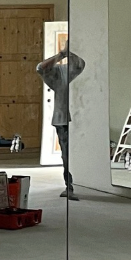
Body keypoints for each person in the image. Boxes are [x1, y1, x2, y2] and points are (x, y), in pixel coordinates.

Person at [36, 46, 86, 199]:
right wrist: (61, 54)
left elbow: (81, 64)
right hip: (62, 119)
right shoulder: (54, 75)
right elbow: (40, 67)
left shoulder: (69, 71)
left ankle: (69, 185)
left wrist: (68, 53)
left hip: (65, 118)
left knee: (68, 154)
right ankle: (68, 185)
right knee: (65, 154)